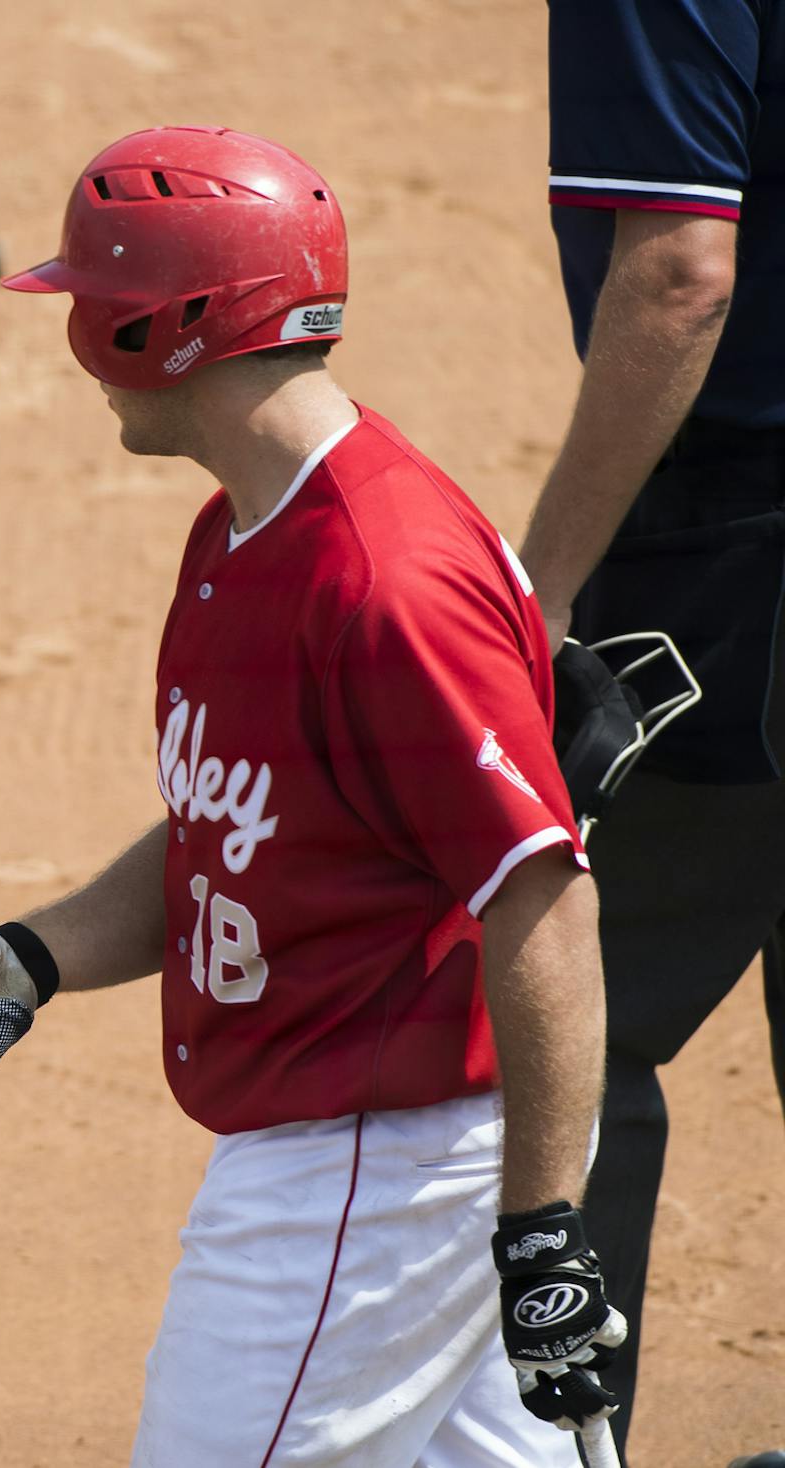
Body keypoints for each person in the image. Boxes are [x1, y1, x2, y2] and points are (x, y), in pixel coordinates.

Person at [0, 127, 622, 1465]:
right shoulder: (244, 529)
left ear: (169, 326)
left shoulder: (386, 582)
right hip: (385, 1158)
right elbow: (259, 829)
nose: (77, 338)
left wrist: (544, 1231)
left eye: (94, 303)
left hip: (367, 1179)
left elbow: (546, 905)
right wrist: (30, 960)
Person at [525, 5, 785, 1461]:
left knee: (571, 1006)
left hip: (740, 554)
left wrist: (538, 591)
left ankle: (557, 1445)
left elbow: (682, 275)